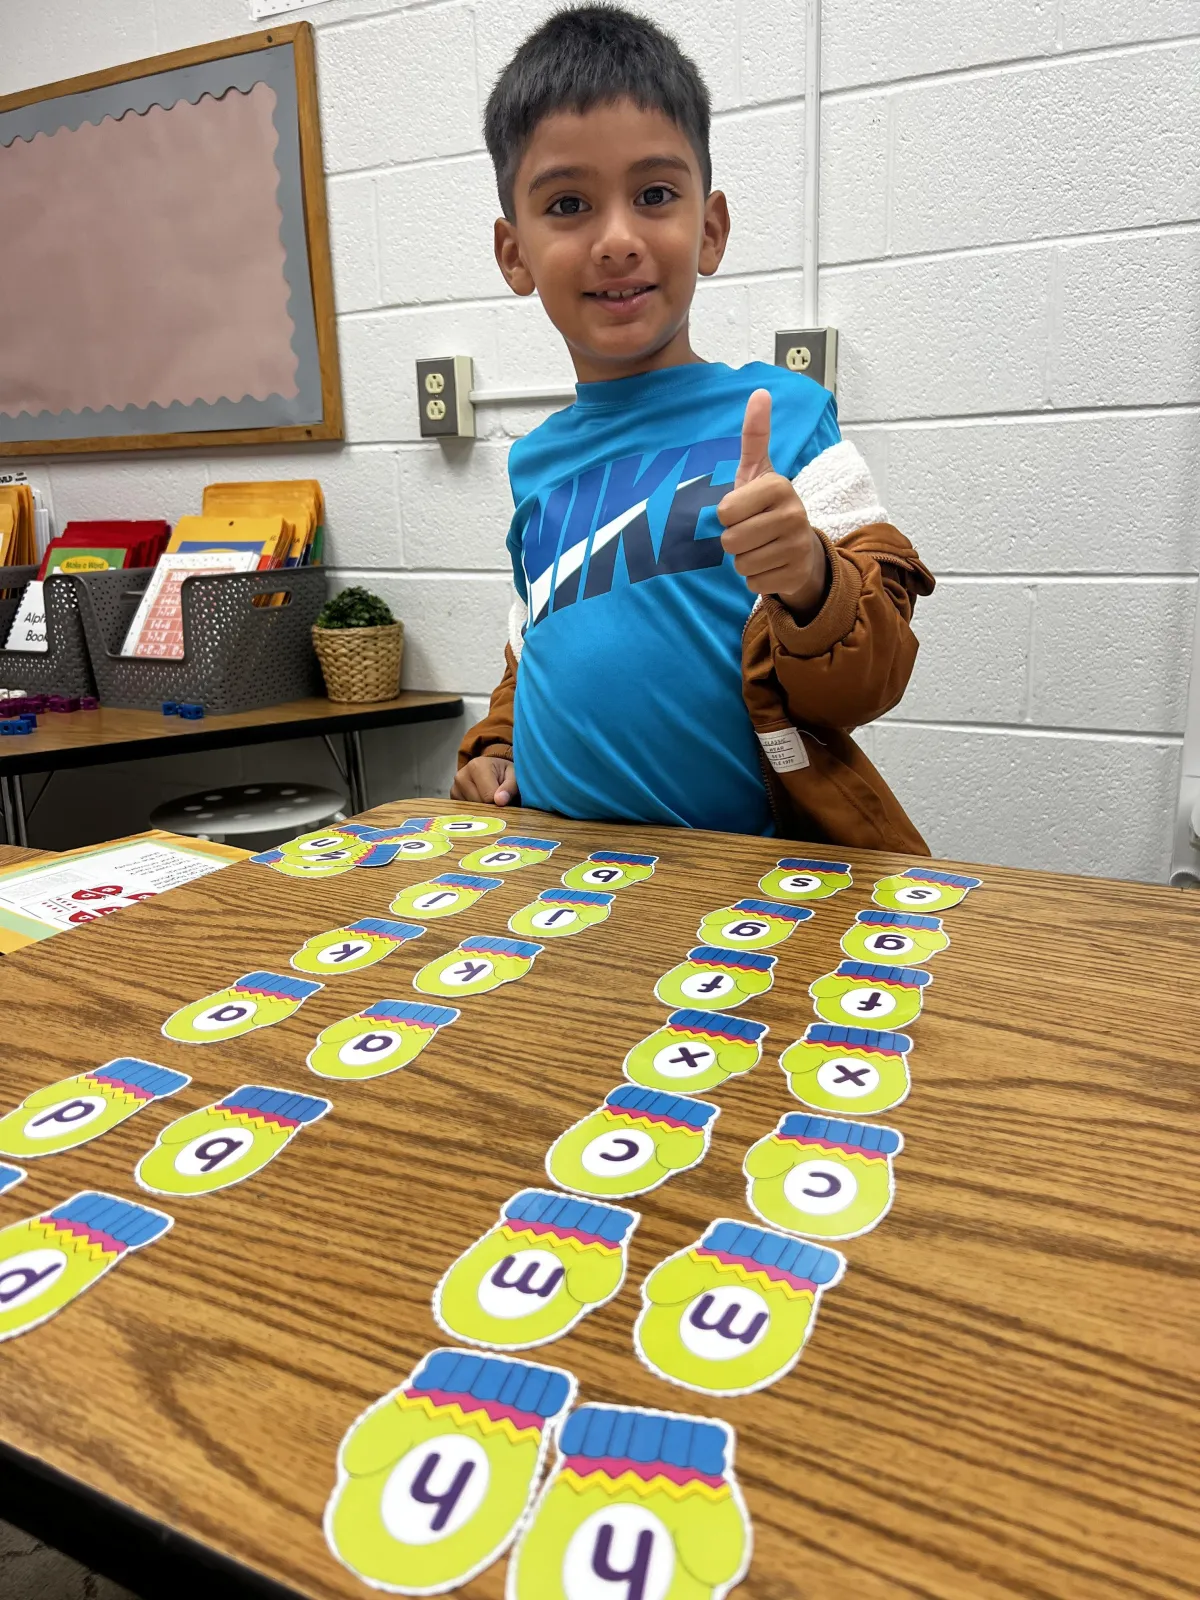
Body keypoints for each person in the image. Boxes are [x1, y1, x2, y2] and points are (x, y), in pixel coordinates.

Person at [451, 4, 933, 851]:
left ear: (708, 230)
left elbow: (874, 675)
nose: (617, 239)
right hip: (561, 889)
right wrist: (494, 745)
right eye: (567, 203)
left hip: (747, 897)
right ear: (514, 253)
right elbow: (535, 648)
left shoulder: (785, 416)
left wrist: (812, 579)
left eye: (655, 195)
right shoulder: (537, 463)